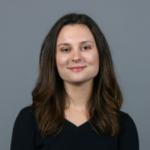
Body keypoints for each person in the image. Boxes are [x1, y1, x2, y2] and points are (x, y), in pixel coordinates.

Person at [10, 13, 139, 150]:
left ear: (101, 56)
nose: (76, 57)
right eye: (65, 49)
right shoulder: (28, 121)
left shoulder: (123, 125)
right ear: (53, 60)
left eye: (85, 47)